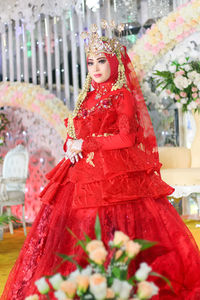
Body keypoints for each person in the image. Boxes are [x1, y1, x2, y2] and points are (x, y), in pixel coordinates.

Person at [1, 23, 200, 300]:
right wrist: (71, 145)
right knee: (73, 235)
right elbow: (76, 131)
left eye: (102, 61)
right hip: (80, 174)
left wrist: (88, 143)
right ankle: (82, 286)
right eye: (90, 62)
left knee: (117, 231)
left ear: (115, 62)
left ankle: (118, 284)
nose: (95, 67)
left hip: (118, 173)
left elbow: (127, 138)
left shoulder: (123, 96)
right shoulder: (87, 96)